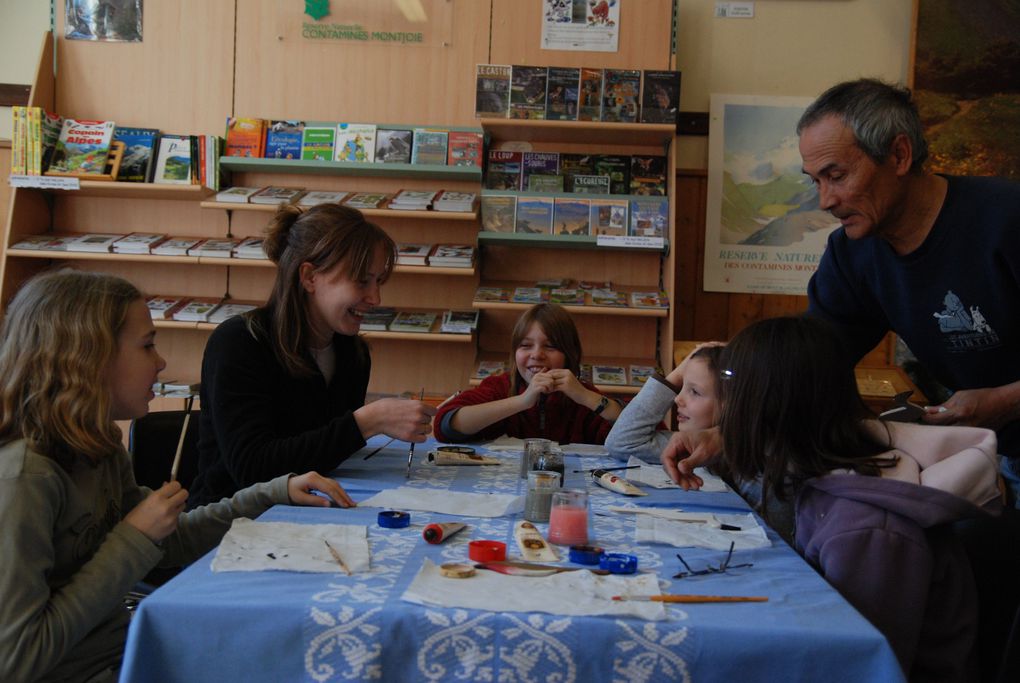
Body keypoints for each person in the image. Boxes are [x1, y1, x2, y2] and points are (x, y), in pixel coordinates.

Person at [0, 270, 355, 683]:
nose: (161, 362)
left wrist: (273, 494)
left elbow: (168, 544)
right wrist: (133, 538)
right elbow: (16, 660)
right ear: (86, 358)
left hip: (122, 654)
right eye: (147, 345)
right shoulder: (25, 479)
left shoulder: (100, 448)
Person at [718, 316, 1002, 681]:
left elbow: (858, 667)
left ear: (768, 405)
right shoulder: (820, 482)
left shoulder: (866, 529)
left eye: (728, 384)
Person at [796, 78, 1020, 505]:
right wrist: (726, 427)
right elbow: (813, 357)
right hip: (990, 454)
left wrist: (1007, 401)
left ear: (899, 155)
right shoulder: (852, 254)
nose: (825, 200)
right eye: (815, 181)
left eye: (837, 175)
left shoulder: (1007, 219)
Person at [189, 204, 435, 507]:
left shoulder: (352, 352)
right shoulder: (239, 343)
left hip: (310, 513)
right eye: (361, 280)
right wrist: (366, 423)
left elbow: (325, 457)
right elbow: (251, 469)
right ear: (309, 277)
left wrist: (363, 425)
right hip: (231, 524)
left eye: (378, 281)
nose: (375, 298)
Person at [433, 303, 621, 444]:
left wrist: (586, 396)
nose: (537, 355)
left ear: (568, 354)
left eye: (550, 346)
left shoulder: (582, 394)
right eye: (525, 346)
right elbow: (445, 425)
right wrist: (522, 401)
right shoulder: (499, 387)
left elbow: (634, 431)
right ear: (515, 353)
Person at [605, 343, 723, 463]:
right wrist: (678, 374)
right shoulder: (686, 446)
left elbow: (622, 444)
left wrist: (675, 377)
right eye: (681, 385)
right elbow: (621, 443)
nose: (677, 399)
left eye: (694, 391)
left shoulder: (734, 452)